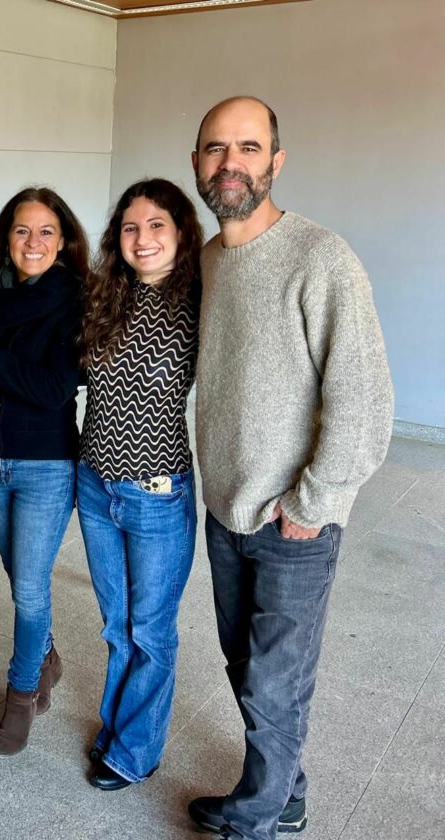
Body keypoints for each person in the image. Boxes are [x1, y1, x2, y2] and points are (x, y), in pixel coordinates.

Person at [187, 97, 393, 839]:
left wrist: (313, 502)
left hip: (293, 521)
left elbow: (364, 405)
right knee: (247, 669)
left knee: (276, 682)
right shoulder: (209, 261)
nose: (230, 162)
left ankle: (256, 823)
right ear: (198, 164)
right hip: (228, 510)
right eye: (216, 148)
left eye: (248, 147)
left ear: (276, 161)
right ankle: (284, 793)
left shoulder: (322, 259)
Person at [0, 187, 87, 756]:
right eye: (22, 231)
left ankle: (21, 693)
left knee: (29, 589)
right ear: (6, 237)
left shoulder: (76, 300)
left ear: (63, 241)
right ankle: (45, 656)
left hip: (47, 465)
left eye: (46, 232)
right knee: (17, 576)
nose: (33, 242)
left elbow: (52, 388)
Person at [74, 179, 203, 789]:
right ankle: (119, 728)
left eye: (157, 226)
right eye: (131, 227)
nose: (143, 238)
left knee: (150, 630)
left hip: (157, 492)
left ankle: (133, 751)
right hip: (96, 486)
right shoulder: (105, 297)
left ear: (181, 232)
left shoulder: (203, 300)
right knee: (115, 623)